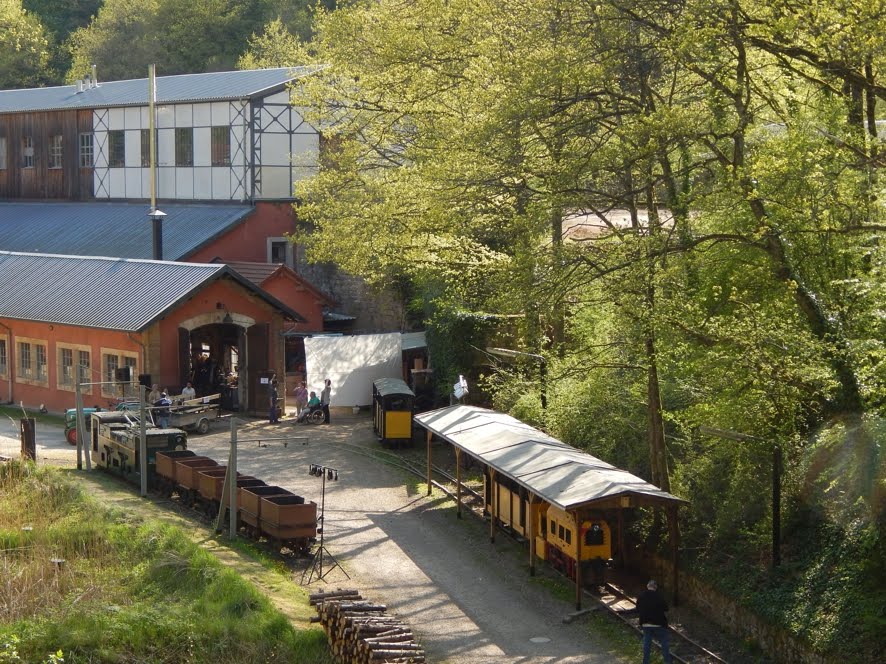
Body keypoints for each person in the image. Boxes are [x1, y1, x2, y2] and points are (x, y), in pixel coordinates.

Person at [637, 580, 672, 664]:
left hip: (645, 623)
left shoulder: (641, 596)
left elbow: (637, 608)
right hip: (659, 623)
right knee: (664, 642)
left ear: (647, 586)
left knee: (647, 643)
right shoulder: (659, 596)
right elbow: (666, 608)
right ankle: (667, 661)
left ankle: (645, 662)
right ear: (655, 587)